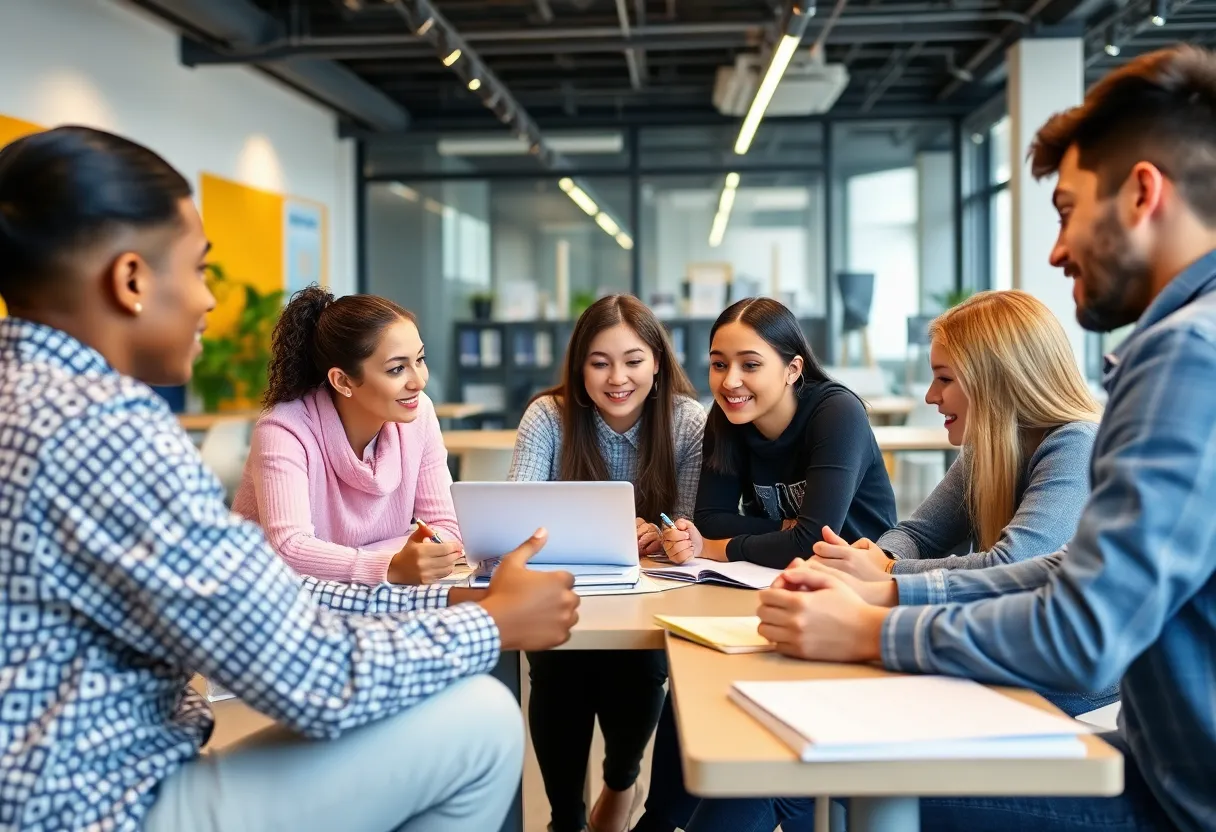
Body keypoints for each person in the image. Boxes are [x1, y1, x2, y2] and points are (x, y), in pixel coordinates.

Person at [0, 125, 581, 832]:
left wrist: (448, 600)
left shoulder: (28, 394)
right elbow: (311, 677)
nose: (209, 301)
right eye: (199, 269)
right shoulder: (103, 426)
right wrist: (490, 620)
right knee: (484, 718)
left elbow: (280, 597)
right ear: (130, 280)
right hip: (99, 809)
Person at [749, 44, 1216, 832]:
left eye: (1068, 210)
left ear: (1143, 193)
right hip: (1163, 766)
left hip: (1178, 802)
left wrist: (872, 627)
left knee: (859, 781)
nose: (1055, 250)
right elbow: (1067, 568)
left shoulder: (1184, 355)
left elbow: (1081, 634)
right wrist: (885, 589)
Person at [509, 294, 706, 832]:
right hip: (564, 586)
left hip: (648, 592)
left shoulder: (688, 421)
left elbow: (685, 523)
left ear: (658, 362)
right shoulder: (549, 415)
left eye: (633, 360)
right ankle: (565, 817)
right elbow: (515, 513)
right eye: (599, 362)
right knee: (555, 673)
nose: (616, 377)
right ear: (580, 366)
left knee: (637, 673)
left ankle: (620, 784)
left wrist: (670, 537)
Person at [814, 291, 1103, 585]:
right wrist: (880, 556)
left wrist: (888, 570)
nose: (930, 396)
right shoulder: (985, 451)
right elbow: (917, 534)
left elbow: (1012, 565)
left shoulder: (1076, 445)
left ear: (997, 381)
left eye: (945, 379)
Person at [232, 286, 463, 586]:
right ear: (342, 380)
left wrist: (388, 562)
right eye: (397, 369)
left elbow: (446, 527)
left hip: (367, 594)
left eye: (419, 359)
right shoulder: (283, 429)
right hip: (272, 598)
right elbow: (289, 549)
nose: (419, 381)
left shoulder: (419, 414)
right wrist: (390, 564)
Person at [660, 297, 896, 568]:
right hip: (771, 576)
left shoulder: (838, 413)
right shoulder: (728, 414)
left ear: (793, 369)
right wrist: (786, 527)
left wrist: (714, 549)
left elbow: (812, 543)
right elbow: (710, 520)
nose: (730, 382)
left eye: (750, 365)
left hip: (862, 579)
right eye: (719, 365)